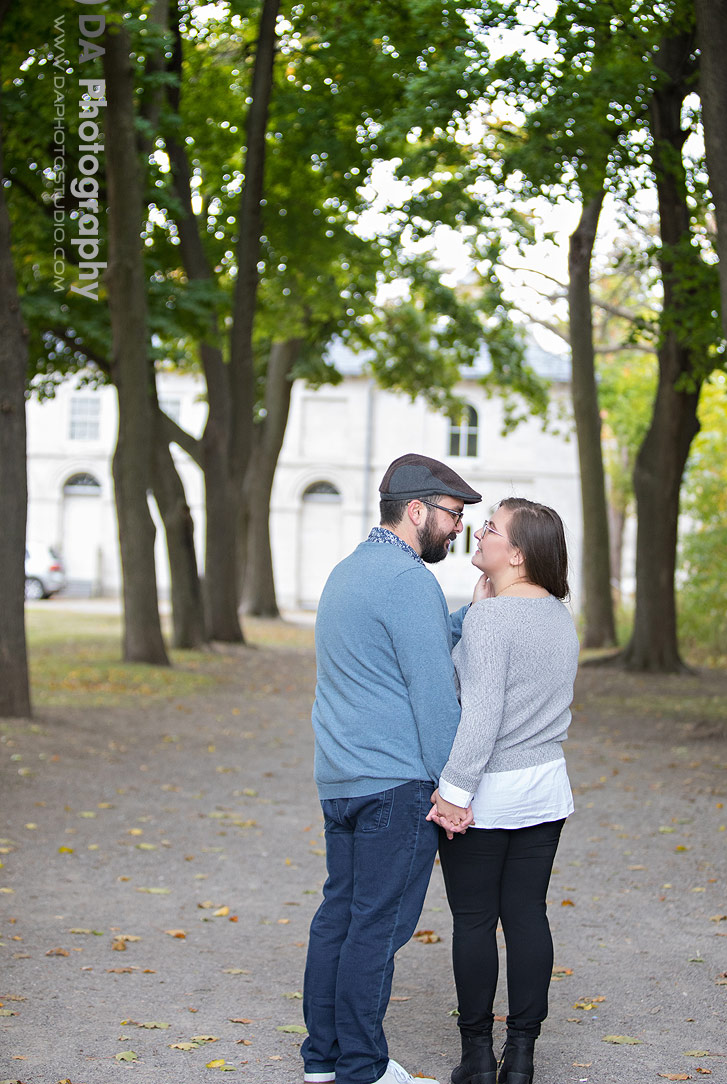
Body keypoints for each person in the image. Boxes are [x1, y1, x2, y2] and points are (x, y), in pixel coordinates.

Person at [300, 453, 482, 1084]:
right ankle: (363, 1068)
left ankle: (323, 1061)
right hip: (394, 787)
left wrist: (470, 615)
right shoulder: (409, 581)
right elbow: (434, 698)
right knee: (376, 929)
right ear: (417, 510)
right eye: (452, 514)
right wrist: (456, 788)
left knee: (340, 918)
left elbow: (398, 648)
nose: (458, 527)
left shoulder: (349, 572)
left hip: (342, 782)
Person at [427, 499, 579, 1084]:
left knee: (473, 921)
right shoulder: (558, 615)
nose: (479, 533)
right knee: (527, 916)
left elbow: (480, 714)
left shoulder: (493, 621)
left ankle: (475, 1059)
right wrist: (477, 611)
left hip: (487, 791)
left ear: (516, 553)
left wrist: (453, 792)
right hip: (546, 787)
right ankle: (520, 1059)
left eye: (491, 527)